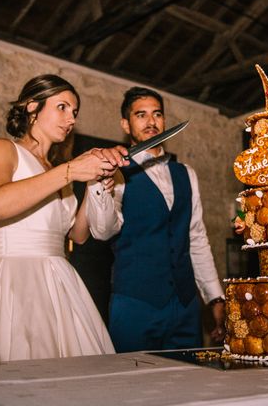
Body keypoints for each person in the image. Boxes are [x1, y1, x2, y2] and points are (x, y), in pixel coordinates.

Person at [0, 74, 129, 361]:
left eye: (74, 112)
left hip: (59, 285)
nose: (71, 118)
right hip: (12, 280)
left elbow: (78, 234)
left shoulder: (57, 171)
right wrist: (72, 171)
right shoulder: (4, 149)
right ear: (31, 107)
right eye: (62, 107)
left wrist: (94, 186)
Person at [86, 86, 225, 352]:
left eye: (157, 114)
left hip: (185, 305)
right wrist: (101, 184)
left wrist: (214, 297)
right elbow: (103, 232)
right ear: (126, 124)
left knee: (190, 381)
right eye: (141, 115)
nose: (151, 122)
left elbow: (196, 237)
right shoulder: (116, 171)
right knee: (133, 386)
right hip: (135, 304)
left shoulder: (187, 173)